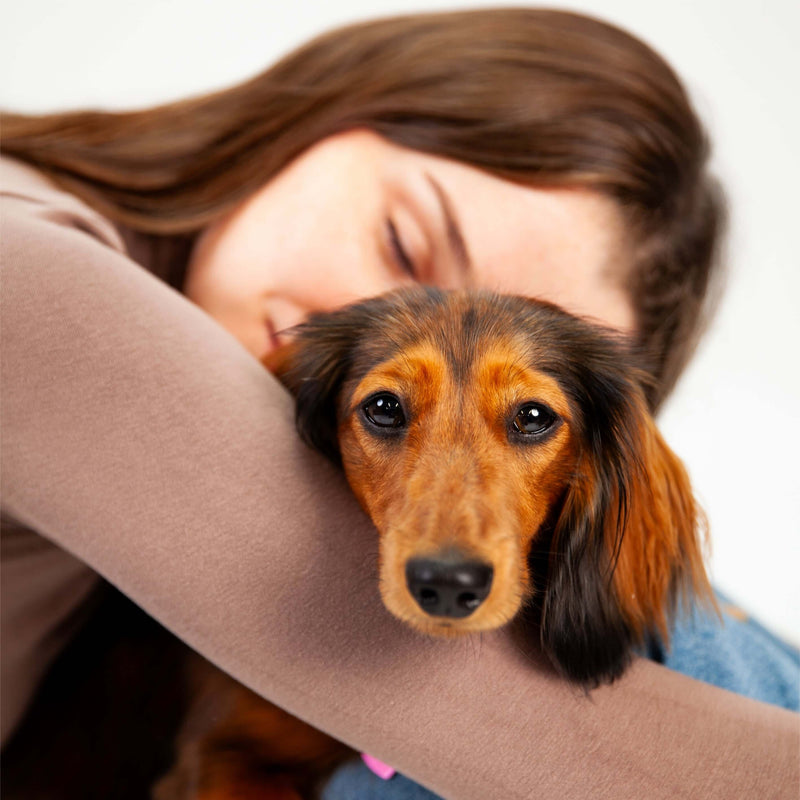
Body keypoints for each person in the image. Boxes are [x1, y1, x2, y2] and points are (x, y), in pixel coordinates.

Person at [1, 8, 797, 799]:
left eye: (527, 404)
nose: (370, 319)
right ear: (327, 111)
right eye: (406, 245)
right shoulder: (29, 271)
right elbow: (535, 736)